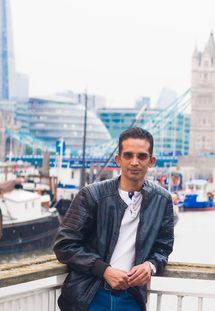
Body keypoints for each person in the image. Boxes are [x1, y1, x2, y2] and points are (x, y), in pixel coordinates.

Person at [53, 127, 174, 311]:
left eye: (141, 156)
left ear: (151, 161)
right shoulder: (91, 195)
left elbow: (163, 246)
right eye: (128, 155)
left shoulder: (162, 199)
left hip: (132, 297)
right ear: (118, 159)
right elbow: (64, 245)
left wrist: (150, 265)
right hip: (89, 296)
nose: (134, 162)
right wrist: (105, 270)